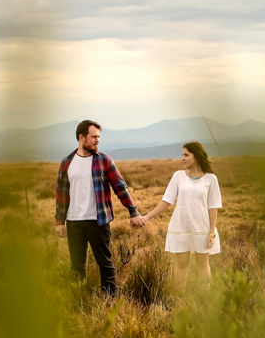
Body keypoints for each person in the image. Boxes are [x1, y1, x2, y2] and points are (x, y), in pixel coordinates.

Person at [54, 120, 145, 296]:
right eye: (94, 137)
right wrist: (60, 221)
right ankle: (79, 299)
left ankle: (110, 301)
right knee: (77, 266)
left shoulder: (104, 160)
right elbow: (61, 194)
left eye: (98, 137)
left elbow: (120, 187)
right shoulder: (67, 162)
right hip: (74, 222)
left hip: (98, 221)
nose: (97, 140)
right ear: (81, 138)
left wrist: (133, 211)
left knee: (105, 264)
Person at [141, 141, 222, 288]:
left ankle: (205, 301)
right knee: (181, 264)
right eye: (182, 155)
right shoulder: (178, 176)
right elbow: (166, 201)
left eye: (186, 155)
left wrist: (211, 233)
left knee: (203, 265)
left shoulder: (211, 179)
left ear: (196, 157)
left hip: (202, 228)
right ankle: (178, 299)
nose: (182, 158)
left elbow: (213, 207)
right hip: (181, 226)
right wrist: (146, 217)